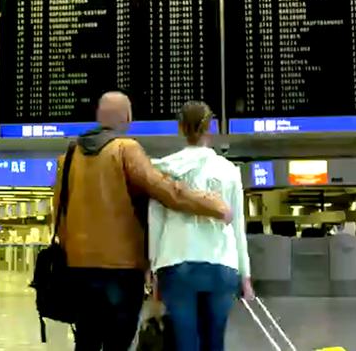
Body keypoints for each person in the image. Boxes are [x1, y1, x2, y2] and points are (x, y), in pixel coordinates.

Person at [53, 91, 232, 351]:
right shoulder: (126, 149)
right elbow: (165, 191)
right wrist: (212, 205)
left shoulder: (68, 157)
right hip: (121, 268)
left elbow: (59, 213)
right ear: (127, 117)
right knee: (119, 340)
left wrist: (73, 253)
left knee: (87, 340)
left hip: (79, 268)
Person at [148, 100, 253, 351]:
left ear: (180, 128)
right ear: (211, 128)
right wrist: (245, 274)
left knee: (185, 342)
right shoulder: (229, 171)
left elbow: (156, 221)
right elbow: (237, 225)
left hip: (176, 262)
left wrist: (152, 268)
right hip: (222, 265)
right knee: (214, 341)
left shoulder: (163, 170)